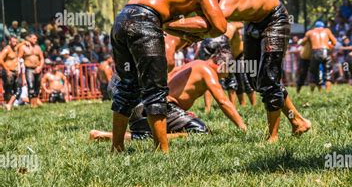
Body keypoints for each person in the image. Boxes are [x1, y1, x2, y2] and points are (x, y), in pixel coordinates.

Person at [110, 0, 231, 153]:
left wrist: (172, 27)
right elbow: (219, 27)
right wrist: (175, 24)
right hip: (145, 22)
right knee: (155, 91)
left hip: (122, 20)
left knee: (127, 87)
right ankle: (162, 151)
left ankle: (117, 148)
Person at [167, 0, 311, 142]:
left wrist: (169, 24)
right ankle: (298, 121)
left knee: (269, 80)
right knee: (254, 79)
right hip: (253, 23)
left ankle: (273, 137)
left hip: (274, 20)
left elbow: (212, 23)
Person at [89, 50, 246, 141]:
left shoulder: (195, 64)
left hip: (148, 105)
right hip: (162, 107)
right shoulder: (207, 70)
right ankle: (108, 136)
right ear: (222, 65)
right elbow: (223, 101)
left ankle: (105, 136)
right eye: (228, 71)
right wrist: (242, 127)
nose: (227, 76)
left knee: (147, 135)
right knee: (200, 132)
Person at [301, 21, 337, 93]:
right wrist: (328, 46)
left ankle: (317, 91)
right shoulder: (327, 31)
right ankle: (327, 92)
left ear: (315, 26)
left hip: (316, 52)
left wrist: (310, 42)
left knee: (314, 73)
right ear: (323, 26)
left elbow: (302, 43)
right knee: (327, 73)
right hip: (326, 51)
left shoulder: (310, 32)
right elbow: (334, 42)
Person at [17, 33, 44, 108]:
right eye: (34, 38)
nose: (36, 40)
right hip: (29, 69)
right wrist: (19, 70)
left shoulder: (38, 47)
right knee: (31, 86)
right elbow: (19, 58)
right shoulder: (23, 47)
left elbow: (42, 58)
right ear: (29, 38)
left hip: (38, 68)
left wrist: (40, 67)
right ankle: (32, 105)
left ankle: (35, 104)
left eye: (36, 38)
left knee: (37, 86)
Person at [0, 36, 21, 110]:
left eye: (16, 42)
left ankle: (8, 105)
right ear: (9, 42)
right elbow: (0, 59)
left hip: (14, 72)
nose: (15, 43)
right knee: (9, 90)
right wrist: (7, 70)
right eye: (13, 42)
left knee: (17, 90)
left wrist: (26, 42)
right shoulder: (7, 49)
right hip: (8, 72)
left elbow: (21, 44)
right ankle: (8, 105)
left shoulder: (16, 48)